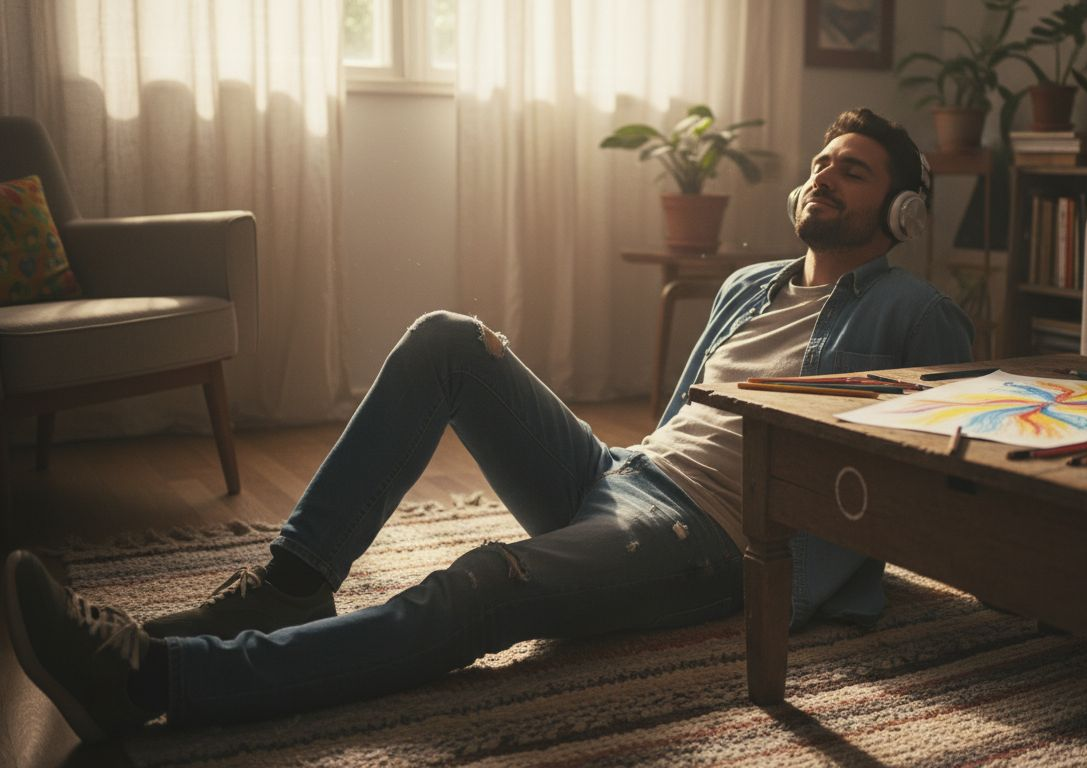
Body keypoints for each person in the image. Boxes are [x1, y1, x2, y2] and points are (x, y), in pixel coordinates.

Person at [4, 107, 973, 740]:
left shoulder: (912, 311)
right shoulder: (748, 284)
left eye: (853, 171)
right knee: (448, 341)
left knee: (482, 581)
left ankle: (155, 679)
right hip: (625, 477)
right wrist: (614, 475)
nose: (825, 176)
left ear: (901, 213)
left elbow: (946, 453)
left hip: (708, 536)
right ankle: (291, 584)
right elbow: (682, 420)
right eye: (823, 162)